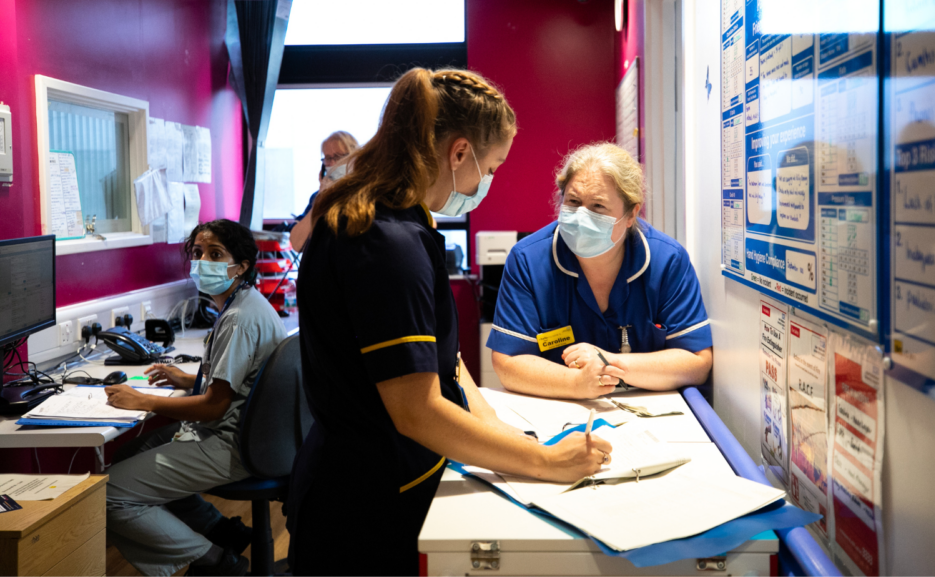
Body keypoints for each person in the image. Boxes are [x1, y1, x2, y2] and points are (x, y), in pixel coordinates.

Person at [289, 67, 613, 576]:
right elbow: (417, 410)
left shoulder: (393, 218)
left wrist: (510, 440)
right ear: (459, 153)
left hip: (381, 477)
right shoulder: (386, 242)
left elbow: (447, 364)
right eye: (492, 167)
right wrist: (545, 463)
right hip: (366, 508)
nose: (489, 181)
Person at [104, 219, 287, 576]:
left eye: (215, 254)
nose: (202, 262)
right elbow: (238, 382)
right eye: (198, 253)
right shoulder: (246, 304)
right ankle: (222, 531)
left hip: (232, 443)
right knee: (131, 453)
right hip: (257, 435)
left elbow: (215, 406)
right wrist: (188, 379)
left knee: (107, 495)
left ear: (242, 266)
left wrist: (145, 402)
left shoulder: (238, 319)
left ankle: (216, 560)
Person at [487, 142, 713, 399]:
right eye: (573, 201)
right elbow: (508, 363)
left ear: (631, 215)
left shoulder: (667, 260)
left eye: (598, 206)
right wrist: (575, 383)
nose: (581, 216)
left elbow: (697, 363)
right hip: (559, 415)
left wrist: (609, 363)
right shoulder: (528, 259)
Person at [288, 130, 360, 251]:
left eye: (338, 157)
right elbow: (297, 244)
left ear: (353, 159)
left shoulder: (365, 195)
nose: (332, 163)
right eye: (327, 158)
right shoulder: (317, 197)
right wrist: (322, 196)